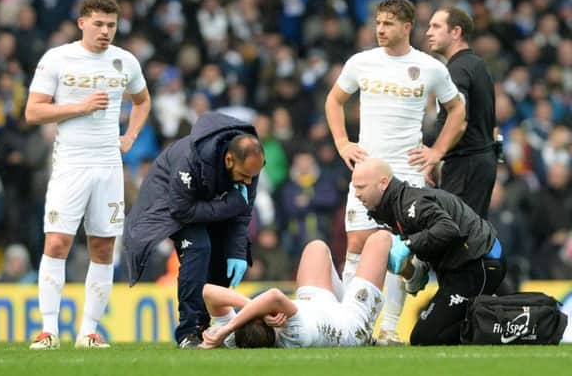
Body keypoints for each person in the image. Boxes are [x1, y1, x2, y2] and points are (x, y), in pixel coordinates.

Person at [325, 0, 466, 344]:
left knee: (397, 246)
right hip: (367, 168)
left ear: (407, 27)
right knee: (356, 242)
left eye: (388, 24)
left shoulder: (430, 67)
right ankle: (350, 325)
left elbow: (458, 111)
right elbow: (334, 100)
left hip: (407, 169)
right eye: (377, 23)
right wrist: (343, 143)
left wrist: (436, 152)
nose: (380, 30)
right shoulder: (361, 62)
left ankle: (388, 329)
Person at [25, 0, 151, 350]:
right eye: (98, 24)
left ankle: (89, 332)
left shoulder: (124, 62)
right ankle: (49, 331)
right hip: (71, 163)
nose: (105, 31)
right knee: (57, 241)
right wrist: (79, 107)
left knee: (103, 247)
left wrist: (130, 136)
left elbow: (143, 101)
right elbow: (33, 112)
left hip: (109, 165)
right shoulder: (59, 58)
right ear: (82, 23)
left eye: (111, 25)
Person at [123, 111, 265, 349]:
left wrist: (238, 252)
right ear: (229, 160)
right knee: (198, 247)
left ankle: (208, 325)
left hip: (208, 201)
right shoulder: (189, 161)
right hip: (170, 203)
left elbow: (242, 214)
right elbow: (182, 211)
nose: (248, 183)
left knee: (221, 255)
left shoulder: (249, 163)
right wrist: (227, 206)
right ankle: (188, 331)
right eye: (244, 177)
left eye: (253, 177)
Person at [353, 158, 506, 345]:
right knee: (427, 335)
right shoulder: (394, 208)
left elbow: (448, 229)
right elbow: (431, 241)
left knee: (426, 337)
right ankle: (502, 313)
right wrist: (414, 272)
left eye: (361, 187)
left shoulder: (410, 203)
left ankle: (526, 319)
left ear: (383, 183)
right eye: (355, 187)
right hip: (462, 268)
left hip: (479, 263)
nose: (356, 194)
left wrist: (408, 245)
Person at [198, 235, 391, 349]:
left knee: (316, 247)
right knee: (380, 239)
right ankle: (387, 326)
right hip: (350, 325)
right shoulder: (295, 335)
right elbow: (274, 296)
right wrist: (236, 322)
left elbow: (207, 292)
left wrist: (228, 327)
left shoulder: (236, 339)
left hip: (313, 304)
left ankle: (348, 293)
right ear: (274, 323)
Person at [426, 6, 497, 218]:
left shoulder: (457, 70)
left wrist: (435, 154)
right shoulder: (477, 65)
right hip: (479, 162)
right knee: (471, 235)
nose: (428, 32)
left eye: (436, 26)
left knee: (457, 237)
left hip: (465, 165)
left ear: (456, 32)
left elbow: (460, 119)